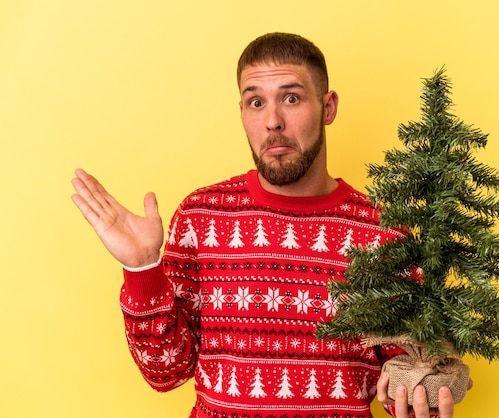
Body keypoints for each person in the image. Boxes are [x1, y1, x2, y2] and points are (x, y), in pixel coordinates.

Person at [71, 32, 465, 418]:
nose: (273, 120)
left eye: (291, 98)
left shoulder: (385, 232)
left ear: (328, 107)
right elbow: (165, 372)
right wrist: (142, 268)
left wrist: (421, 403)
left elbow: (407, 380)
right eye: (255, 102)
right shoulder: (200, 217)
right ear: (242, 113)